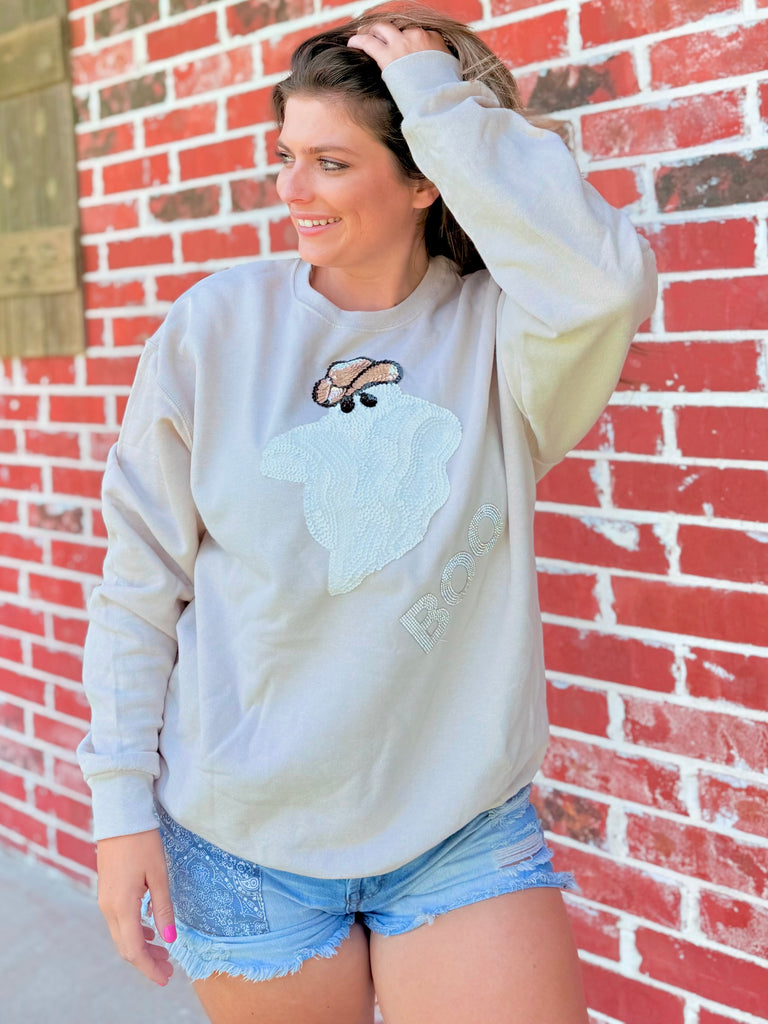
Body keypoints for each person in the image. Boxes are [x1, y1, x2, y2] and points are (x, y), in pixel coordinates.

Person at [78, 4, 657, 1022]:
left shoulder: (506, 340)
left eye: (331, 163)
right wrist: (119, 808)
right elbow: (140, 584)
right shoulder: (215, 327)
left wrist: (440, 100)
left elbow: (605, 284)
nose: (290, 190)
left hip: (457, 828)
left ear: (425, 175)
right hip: (242, 835)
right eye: (285, 157)